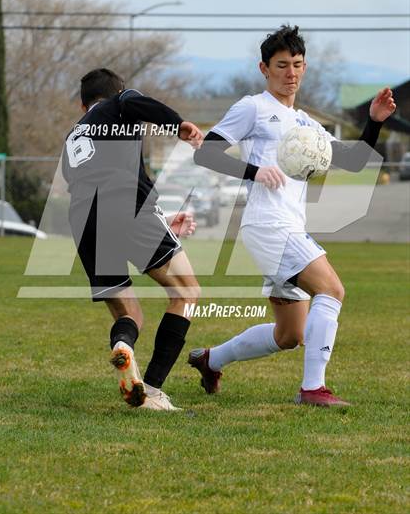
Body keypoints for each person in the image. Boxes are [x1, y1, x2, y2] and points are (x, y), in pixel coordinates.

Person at [188, 25, 396, 406]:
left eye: (297, 64)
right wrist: (253, 171)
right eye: (282, 65)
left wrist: (375, 121)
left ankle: (209, 359)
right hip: (269, 224)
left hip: (285, 226)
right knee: (332, 290)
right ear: (264, 68)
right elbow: (206, 152)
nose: (291, 73)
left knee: (289, 336)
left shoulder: (306, 124)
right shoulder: (253, 107)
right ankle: (313, 389)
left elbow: (353, 161)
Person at [62, 68, 203, 411]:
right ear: (114, 94)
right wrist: (177, 124)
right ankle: (152, 389)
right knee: (186, 292)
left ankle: (124, 346)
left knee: (130, 313)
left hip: (83, 218)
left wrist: (164, 219)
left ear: (83, 107)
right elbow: (131, 101)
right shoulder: (120, 102)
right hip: (127, 206)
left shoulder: (75, 135)